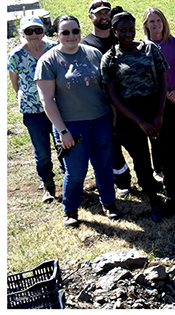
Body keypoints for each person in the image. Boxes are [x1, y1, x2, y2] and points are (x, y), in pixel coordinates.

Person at [35, 15, 118, 227]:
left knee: (103, 164)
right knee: (76, 170)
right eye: (65, 32)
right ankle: (70, 210)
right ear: (57, 35)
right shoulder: (48, 61)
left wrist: (113, 114)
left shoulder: (93, 53)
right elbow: (47, 100)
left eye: (75, 31)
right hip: (71, 125)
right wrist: (62, 131)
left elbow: (106, 87)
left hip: (100, 119)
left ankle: (109, 204)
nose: (71, 36)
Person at [100, 10, 171, 221]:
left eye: (131, 29)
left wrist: (158, 115)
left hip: (154, 106)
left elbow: (163, 81)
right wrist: (140, 121)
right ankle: (153, 201)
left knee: (166, 155)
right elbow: (112, 95)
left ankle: (173, 196)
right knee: (141, 159)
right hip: (129, 115)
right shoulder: (110, 59)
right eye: (122, 30)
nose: (128, 34)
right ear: (114, 31)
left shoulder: (150, 49)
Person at [142, 7, 175, 215]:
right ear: (146, 25)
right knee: (157, 138)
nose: (155, 24)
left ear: (164, 22)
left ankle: (172, 187)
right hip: (155, 101)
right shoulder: (142, 47)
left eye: (158, 20)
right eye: (151, 21)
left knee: (174, 137)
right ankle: (159, 171)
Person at [81, 0, 133, 193]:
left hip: (128, 99)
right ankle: (122, 181)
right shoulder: (86, 44)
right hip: (104, 102)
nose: (104, 16)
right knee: (111, 145)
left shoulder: (120, 36)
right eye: (99, 13)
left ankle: (148, 174)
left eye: (106, 13)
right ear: (90, 17)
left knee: (135, 141)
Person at [7, 16, 59, 202]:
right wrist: (27, 96)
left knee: (63, 143)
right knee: (42, 149)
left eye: (37, 30)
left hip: (57, 106)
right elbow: (15, 82)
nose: (34, 34)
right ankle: (48, 185)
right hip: (32, 110)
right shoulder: (16, 55)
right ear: (22, 34)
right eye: (29, 31)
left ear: (43, 31)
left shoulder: (54, 48)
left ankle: (70, 179)